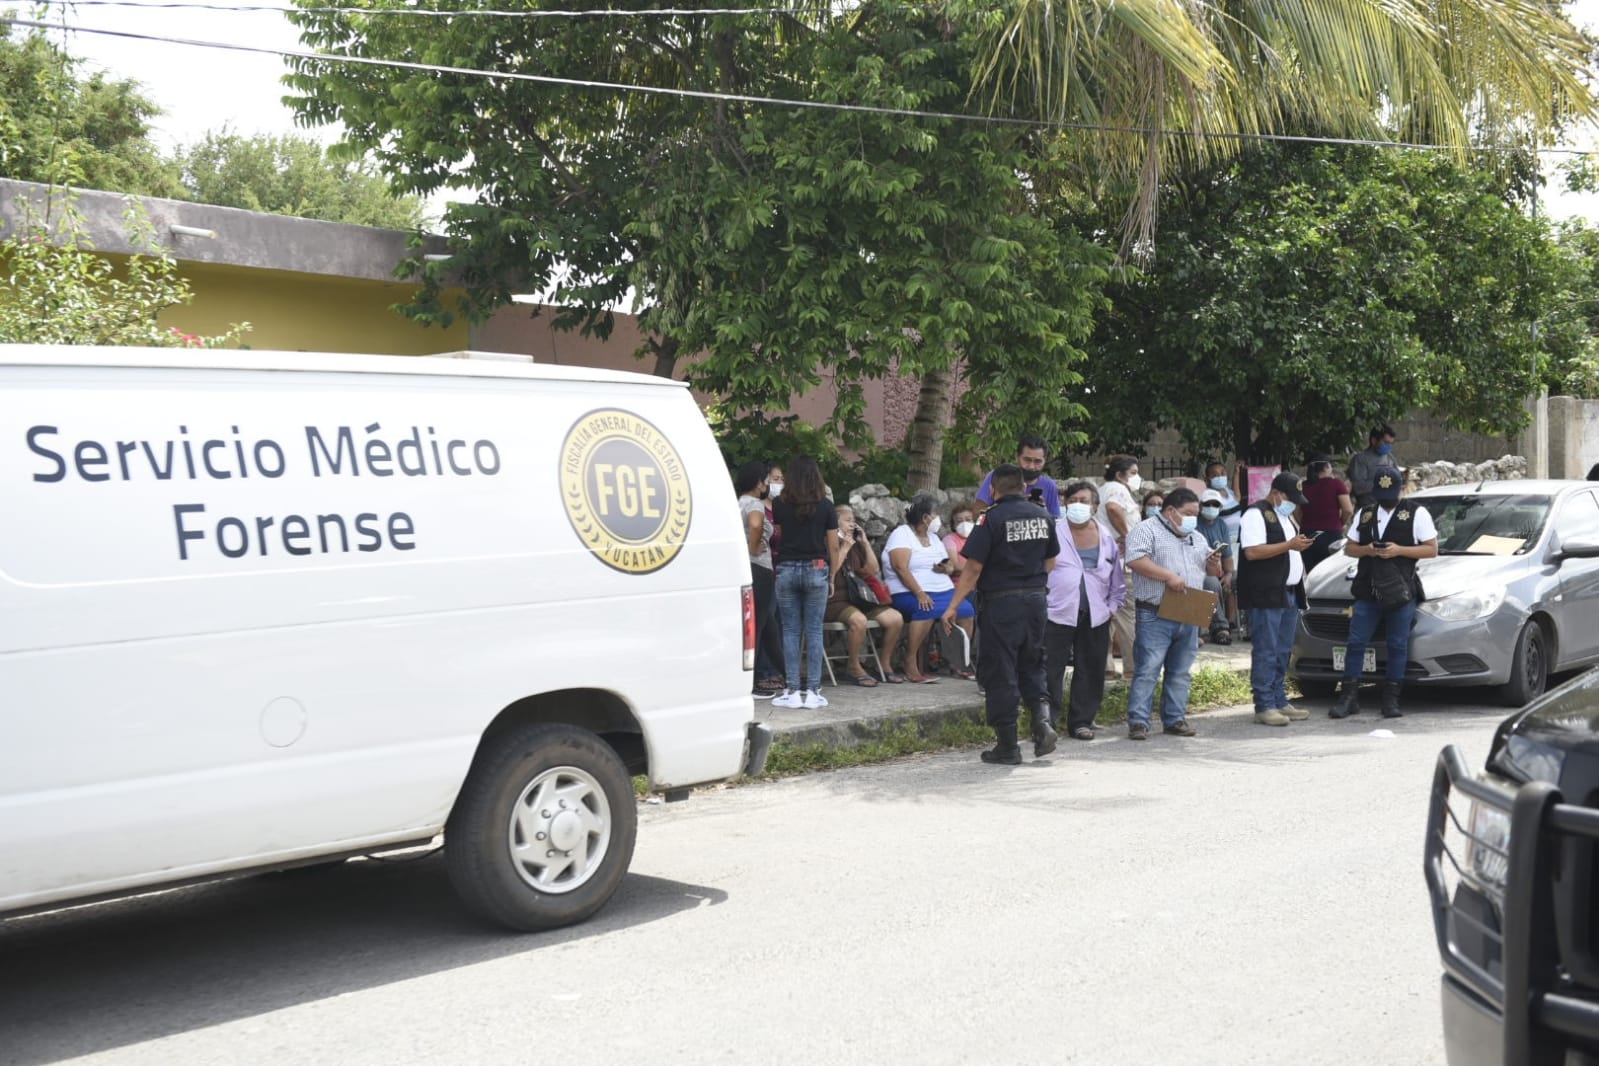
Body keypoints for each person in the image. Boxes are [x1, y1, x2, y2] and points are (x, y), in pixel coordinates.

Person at [943, 464, 1060, 763]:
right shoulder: (1043, 516)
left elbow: (973, 567)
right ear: (1022, 487)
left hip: (1001, 604)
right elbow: (1051, 562)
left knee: (1001, 671)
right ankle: (1043, 721)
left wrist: (954, 605)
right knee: (1033, 663)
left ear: (993, 489)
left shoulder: (990, 518)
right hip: (1035, 602)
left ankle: (1008, 746)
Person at [1330, 468, 1438, 720]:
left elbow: (1431, 549)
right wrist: (1368, 550)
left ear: (1402, 489)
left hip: (1400, 590)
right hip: (1368, 589)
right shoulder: (1366, 513)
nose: (1386, 500)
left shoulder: (1416, 513)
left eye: (1390, 494)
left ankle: (1391, 699)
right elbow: (1349, 548)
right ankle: (1348, 697)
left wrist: (1399, 550)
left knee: (1397, 645)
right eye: (1381, 495)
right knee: (1356, 643)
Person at [1124, 487, 1225, 740]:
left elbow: (1212, 573)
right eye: (1188, 513)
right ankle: (1138, 721)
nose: (1193, 518)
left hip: (1189, 609)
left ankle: (1175, 718)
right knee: (1148, 668)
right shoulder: (1146, 530)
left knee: (1181, 670)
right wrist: (1168, 576)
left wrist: (1214, 565)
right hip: (1155, 611)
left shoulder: (1196, 536)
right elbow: (1135, 560)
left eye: (1196, 513)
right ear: (1170, 511)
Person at [1044, 482, 1126, 741]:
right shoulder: (1052, 531)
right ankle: (1046, 722)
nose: (1078, 505)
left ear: (1095, 506)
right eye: (1074, 500)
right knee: (1050, 668)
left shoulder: (1106, 537)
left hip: (1096, 612)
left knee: (1091, 668)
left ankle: (1081, 721)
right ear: (1065, 504)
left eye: (1084, 500)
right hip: (1055, 611)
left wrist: (1112, 607)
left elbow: (1116, 577)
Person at [1238, 472, 1315, 726]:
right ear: (1276, 494)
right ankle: (1264, 704)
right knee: (1266, 649)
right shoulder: (1255, 514)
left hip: (1290, 593)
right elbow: (1252, 552)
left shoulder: (1285, 517)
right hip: (1267, 593)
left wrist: (1297, 546)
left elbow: (1287, 549)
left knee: (1283, 650)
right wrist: (1289, 546)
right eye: (1290, 498)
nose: (1293, 503)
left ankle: (1279, 699)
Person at [769, 456, 840, 709]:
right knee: (814, 630)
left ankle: (791, 690)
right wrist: (831, 574)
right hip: (816, 568)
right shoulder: (826, 507)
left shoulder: (779, 504)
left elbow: (777, 535)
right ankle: (812, 691)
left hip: (786, 568)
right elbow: (832, 544)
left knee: (789, 630)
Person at [883, 494, 973, 684]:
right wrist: (920, 593)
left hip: (943, 590)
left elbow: (948, 565)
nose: (938, 518)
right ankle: (910, 661)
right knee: (926, 608)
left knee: (966, 610)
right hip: (908, 592)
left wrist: (946, 568)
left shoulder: (933, 537)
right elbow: (900, 567)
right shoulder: (902, 534)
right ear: (925, 518)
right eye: (935, 514)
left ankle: (958, 663)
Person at [825, 504, 907, 686]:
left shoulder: (856, 544)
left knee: (895, 619)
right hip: (835, 600)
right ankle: (853, 666)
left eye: (853, 521)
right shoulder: (828, 541)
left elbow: (872, 569)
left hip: (859, 597)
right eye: (847, 520)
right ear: (834, 522)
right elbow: (831, 571)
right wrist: (844, 547)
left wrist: (865, 543)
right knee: (859, 621)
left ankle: (884, 664)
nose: (852, 524)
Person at [735, 460, 783, 699]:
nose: (768, 484)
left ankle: (787, 675)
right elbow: (755, 524)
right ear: (757, 482)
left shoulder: (739, 502)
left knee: (770, 627)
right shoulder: (755, 503)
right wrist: (754, 548)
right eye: (766, 479)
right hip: (760, 568)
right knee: (759, 626)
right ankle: (750, 683)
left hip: (749, 567)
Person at [1098, 455, 1143, 682]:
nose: (1137, 477)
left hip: (1106, 560)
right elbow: (1113, 509)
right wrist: (1128, 535)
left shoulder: (1104, 488)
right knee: (1127, 615)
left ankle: (1105, 667)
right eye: (1133, 472)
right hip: (1121, 563)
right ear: (1119, 474)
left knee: (1105, 615)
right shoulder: (1117, 489)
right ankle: (1132, 669)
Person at [753, 464, 787, 692]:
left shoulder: (783, 508)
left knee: (780, 624)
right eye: (774, 478)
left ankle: (778, 670)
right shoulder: (757, 508)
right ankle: (765, 672)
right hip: (765, 571)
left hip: (783, 571)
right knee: (766, 623)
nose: (778, 482)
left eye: (781, 478)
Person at [976, 434, 1062, 518]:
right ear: (1017, 456)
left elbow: (1056, 524)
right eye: (1027, 460)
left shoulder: (1050, 486)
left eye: (1037, 461)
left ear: (1045, 461)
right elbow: (977, 515)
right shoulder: (998, 476)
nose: (1031, 467)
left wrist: (1042, 511)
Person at [1300, 457, 1354, 575]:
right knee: (1331, 575)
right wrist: (1341, 523)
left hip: (1307, 536)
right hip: (1331, 536)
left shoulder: (1303, 486)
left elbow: (1297, 512)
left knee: (1311, 575)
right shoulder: (1336, 484)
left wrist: (1304, 524)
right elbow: (1348, 509)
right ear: (1326, 467)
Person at [1196, 489, 1235, 640]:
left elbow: (1227, 555)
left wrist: (1229, 574)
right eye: (1208, 504)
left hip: (1217, 569)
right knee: (1211, 584)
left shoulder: (1221, 525)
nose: (1211, 507)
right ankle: (1220, 627)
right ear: (1200, 506)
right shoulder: (1194, 524)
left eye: (1215, 504)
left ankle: (1235, 624)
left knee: (1239, 579)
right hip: (1198, 570)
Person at [1347, 424, 1400, 508]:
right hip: (1368, 508)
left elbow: (1396, 480)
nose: (1388, 446)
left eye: (1390, 443)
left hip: (1388, 508)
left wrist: (1402, 479)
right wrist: (1381, 483)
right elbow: (1358, 487)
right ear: (1374, 440)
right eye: (1385, 442)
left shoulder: (1390, 458)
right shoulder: (1360, 459)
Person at [1205, 460, 1245, 542]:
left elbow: (1237, 496)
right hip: (1223, 539)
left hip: (1238, 537)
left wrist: (1236, 472)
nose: (1220, 477)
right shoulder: (1210, 497)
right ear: (1207, 480)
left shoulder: (1230, 493)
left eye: (1222, 473)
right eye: (1215, 475)